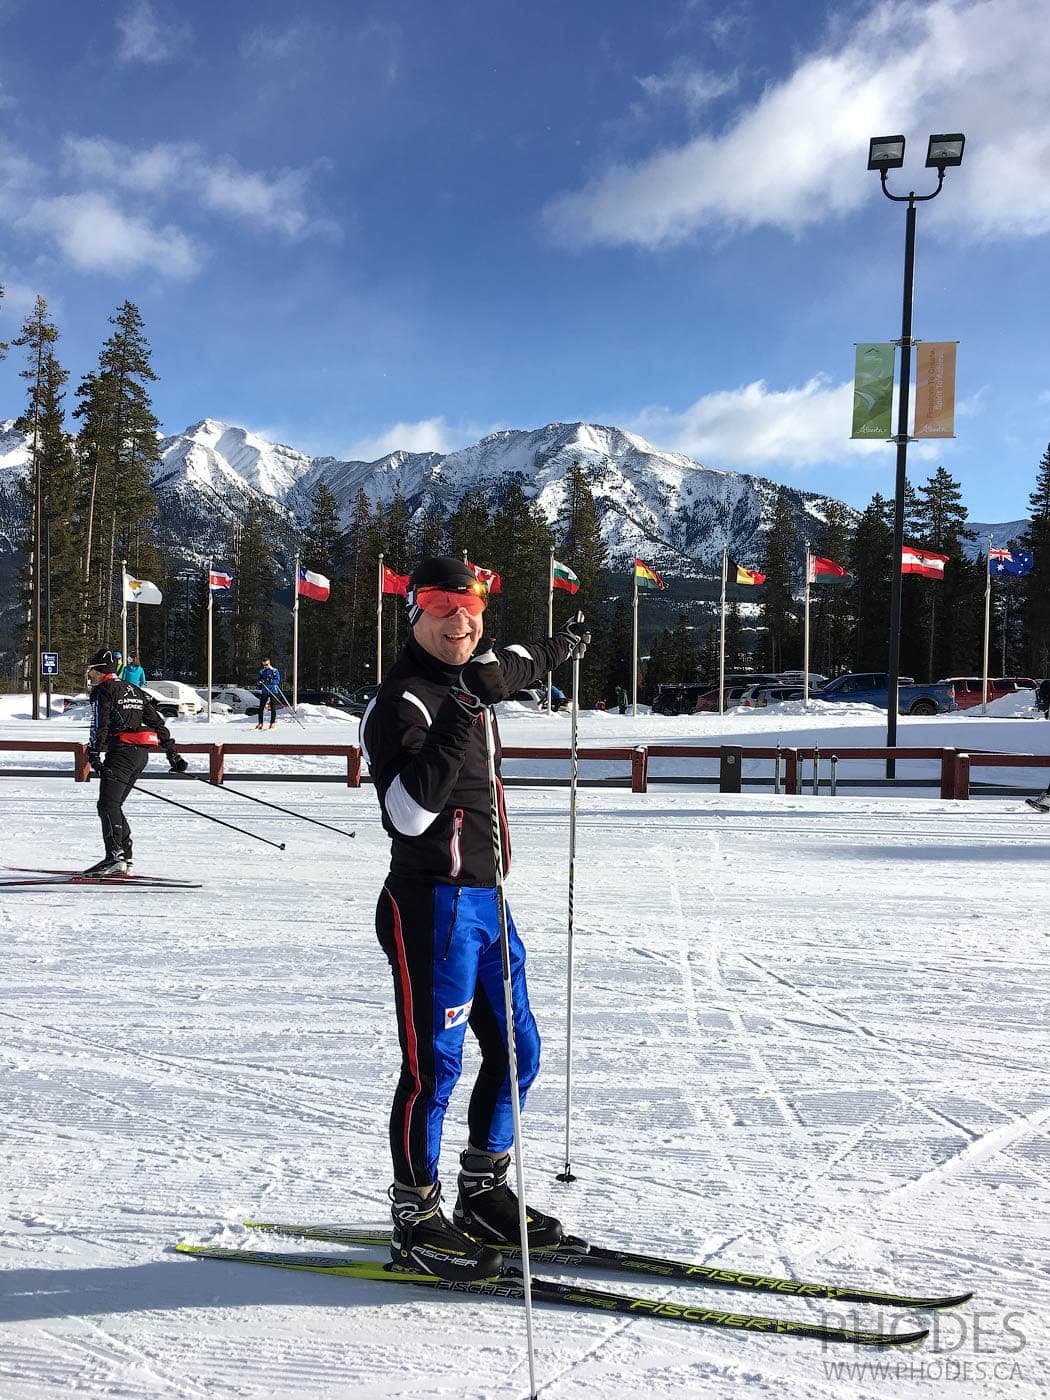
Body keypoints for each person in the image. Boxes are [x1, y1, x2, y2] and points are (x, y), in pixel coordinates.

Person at [360, 556, 588, 1281]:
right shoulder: (403, 702)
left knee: (520, 1050)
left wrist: (564, 647)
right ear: (413, 613)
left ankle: (483, 1190)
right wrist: (463, 708)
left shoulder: (479, 670)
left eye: (471, 607)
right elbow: (406, 813)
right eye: (440, 606)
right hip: (430, 908)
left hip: (490, 903)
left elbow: (519, 662)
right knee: (436, 1068)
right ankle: (414, 1212)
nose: (460, 621)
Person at [84, 647, 187, 876]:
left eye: (92, 670)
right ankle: (125, 857)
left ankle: (115, 857)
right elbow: (157, 723)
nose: (90, 674)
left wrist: (93, 753)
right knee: (114, 804)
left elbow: (99, 724)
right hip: (140, 755)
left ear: (100, 671)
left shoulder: (104, 691)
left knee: (107, 804)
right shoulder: (133, 689)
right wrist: (172, 754)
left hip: (121, 752)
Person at [256, 658, 281, 729]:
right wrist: (260, 682)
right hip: (265, 690)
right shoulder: (262, 671)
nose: (265, 666)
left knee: (273, 707)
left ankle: (272, 723)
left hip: (273, 690)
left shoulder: (274, 670)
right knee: (261, 707)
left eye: (266, 665)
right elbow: (258, 680)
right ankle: (260, 723)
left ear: (269, 663)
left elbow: (277, 680)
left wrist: (270, 681)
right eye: (263, 665)